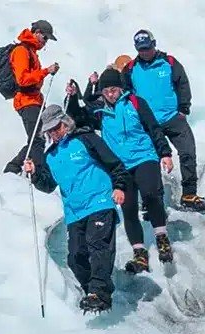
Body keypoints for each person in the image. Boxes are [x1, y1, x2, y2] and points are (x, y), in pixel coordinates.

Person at [24, 105, 132, 313]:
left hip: (99, 201)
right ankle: (90, 293)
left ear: (65, 123)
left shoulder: (86, 139)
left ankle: (100, 293)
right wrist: (35, 173)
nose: (53, 134)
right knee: (75, 257)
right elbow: (48, 185)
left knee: (98, 244)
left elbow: (114, 164)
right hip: (75, 212)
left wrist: (119, 186)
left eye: (56, 128)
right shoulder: (51, 156)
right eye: (49, 131)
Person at [92, 67, 175, 271]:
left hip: (144, 156)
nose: (111, 94)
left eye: (114, 89)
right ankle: (139, 253)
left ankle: (161, 237)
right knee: (128, 208)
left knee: (150, 194)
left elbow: (153, 128)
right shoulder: (100, 111)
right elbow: (77, 115)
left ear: (121, 88)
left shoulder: (135, 103)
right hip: (120, 166)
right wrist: (75, 93)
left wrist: (164, 153)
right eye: (106, 91)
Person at [123, 30, 205, 212]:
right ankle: (152, 199)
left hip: (172, 118)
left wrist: (184, 109)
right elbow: (125, 94)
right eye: (141, 49)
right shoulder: (129, 69)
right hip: (147, 123)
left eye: (147, 48)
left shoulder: (169, 63)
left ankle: (189, 194)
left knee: (188, 152)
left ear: (154, 44)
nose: (145, 52)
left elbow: (182, 83)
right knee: (149, 162)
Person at [1, 20, 61, 175]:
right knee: (37, 139)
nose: (45, 42)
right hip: (26, 101)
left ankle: (15, 168)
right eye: (45, 37)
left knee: (37, 138)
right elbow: (23, 79)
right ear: (37, 33)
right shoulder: (22, 51)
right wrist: (46, 71)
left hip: (33, 100)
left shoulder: (31, 51)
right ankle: (27, 170)